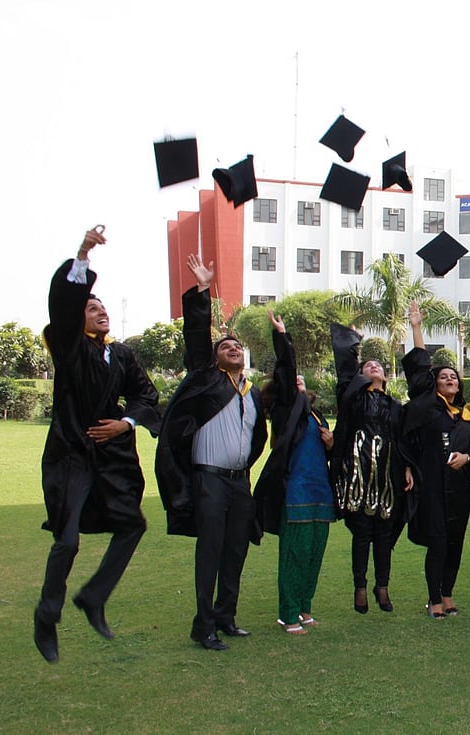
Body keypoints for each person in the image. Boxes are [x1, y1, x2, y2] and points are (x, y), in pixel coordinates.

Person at [34, 226, 161, 662]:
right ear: (78, 318)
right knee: (67, 541)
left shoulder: (121, 354)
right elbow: (65, 306)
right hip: (72, 453)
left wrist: (125, 423)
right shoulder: (71, 347)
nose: (100, 310)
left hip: (111, 458)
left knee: (133, 524)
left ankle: (93, 598)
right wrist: (83, 254)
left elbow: (146, 395)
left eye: (102, 305)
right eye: (91, 306)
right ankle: (47, 615)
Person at [155, 253, 267, 651]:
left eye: (237, 345)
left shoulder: (250, 395)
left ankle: (226, 616)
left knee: (235, 550)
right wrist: (203, 290)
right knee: (211, 550)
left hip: (239, 483)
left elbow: (257, 440)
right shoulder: (207, 380)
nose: (233, 348)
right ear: (216, 356)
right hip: (208, 480)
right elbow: (197, 339)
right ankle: (203, 625)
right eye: (226, 345)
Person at [253, 310, 336, 635]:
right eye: (292, 381)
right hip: (296, 491)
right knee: (295, 554)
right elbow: (286, 370)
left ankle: (304, 607)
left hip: (321, 492)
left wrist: (332, 444)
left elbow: (327, 452)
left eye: (301, 381)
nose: (298, 381)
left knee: (315, 552)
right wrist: (282, 336)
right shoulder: (287, 411)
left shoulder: (315, 417)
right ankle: (287, 613)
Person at [401, 301, 470, 619]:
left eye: (454, 377)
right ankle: (433, 599)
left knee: (455, 544)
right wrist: (417, 327)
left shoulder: (467, 418)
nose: (450, 379)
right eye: (444, 376)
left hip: (458, 490)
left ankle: (448, 595)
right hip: (433, 486)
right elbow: (420, 370)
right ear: (435, 383)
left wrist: (466, 458)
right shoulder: (428, 407)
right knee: (438, 542)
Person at [329, 322, 414, 615]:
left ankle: (383, 586)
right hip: (358, 475)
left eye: (378, 365)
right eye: (368, 365)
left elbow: (402, 440)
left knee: (385, 533)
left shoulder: (395, 406)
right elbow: (345, 371)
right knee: (362, 532)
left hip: (386, 477)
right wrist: (355, 343)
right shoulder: (353, 398)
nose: (374, 367)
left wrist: (406, 469)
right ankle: (360, 587)